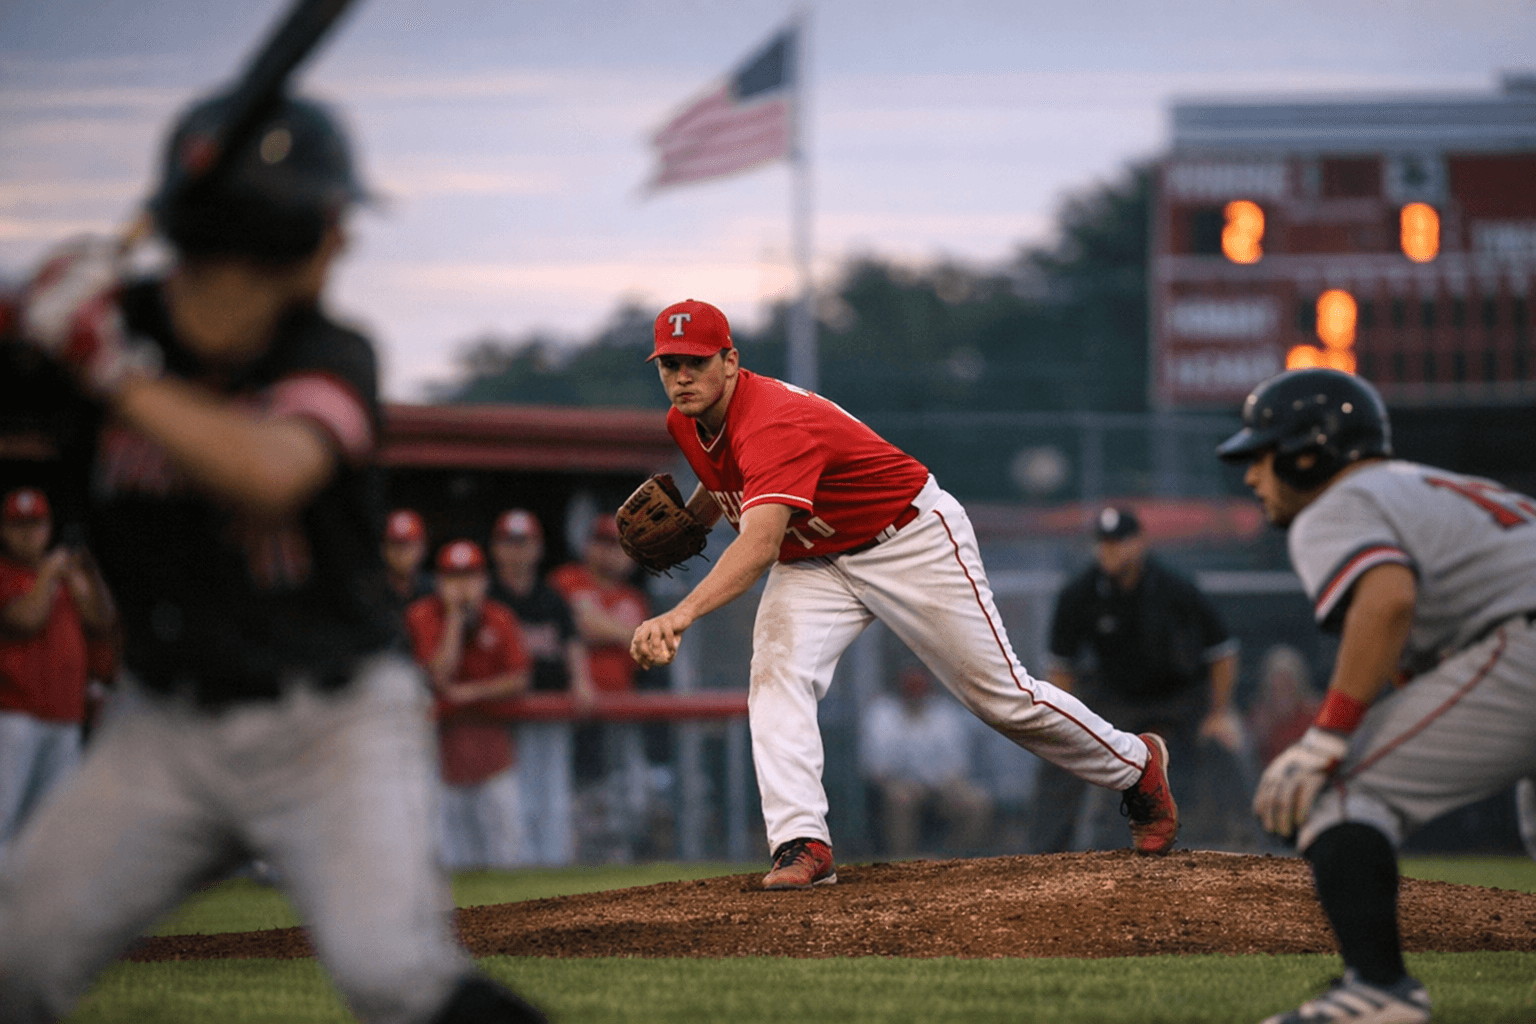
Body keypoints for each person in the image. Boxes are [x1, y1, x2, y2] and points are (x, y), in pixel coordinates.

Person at [0, 92, 546, 1022]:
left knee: (392, 973)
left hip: (330, 723)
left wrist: (107, 366)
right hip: (164, 726)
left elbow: (267, 473)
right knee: (15, 962)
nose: (344, 241)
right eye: (330, 218)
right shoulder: (107, 334)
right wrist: (25, 316)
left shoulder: (326, 349)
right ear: (276, 228)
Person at [628, 298, 1178, 891]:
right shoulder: (684, 421)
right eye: (669, 364)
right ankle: (801, 841)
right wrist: (696, 518)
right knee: (775, 675)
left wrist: (682, 613)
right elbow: (730, 478)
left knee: (1003, 698)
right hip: (814, 560)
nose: (681, 377)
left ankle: (1137, 767)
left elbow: (759, 543)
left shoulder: (772, 420)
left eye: (696, 362)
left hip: (906, 538)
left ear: (731, 361)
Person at [1217, 366, 1536, 1024]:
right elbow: (1414, 644)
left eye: (1262, 455)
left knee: (1339, 789)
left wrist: (1328, 734)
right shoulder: (1428, 485)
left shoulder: (1334, 504)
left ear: (1310, 452)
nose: (1251, 476)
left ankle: (1380, 991)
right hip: (1513, 631)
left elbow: (1387, 600)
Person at [1031, 505, 1240, 853]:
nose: (1109, 550)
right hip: (1114, 703)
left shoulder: (1175, 588)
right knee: (1058, 758)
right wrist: (1060, 727)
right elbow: (1060, 668)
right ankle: (1046, 856)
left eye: (1119, 541)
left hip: (1177, 701)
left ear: (1139, 542)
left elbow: (1222, 651)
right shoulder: (1079, 594)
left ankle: (1242, 845)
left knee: (1224, 746)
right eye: (1103, 542)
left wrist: (1220, 712)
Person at [0, 487, 115, 859]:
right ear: (4, 530)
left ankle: (31, 914)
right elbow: (24, 620)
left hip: (64, 718)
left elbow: (102, 621)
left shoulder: (66, 576)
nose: (28, 534)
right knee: (4, 818)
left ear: (48, 527)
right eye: (19, 526)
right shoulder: (6, 573)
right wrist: (48, 574)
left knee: (55, 829)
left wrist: (90, 574)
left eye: (35, 524)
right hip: (14, 716)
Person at [406, 539, 531, 871]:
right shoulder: (422, 615)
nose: (463, 586)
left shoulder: (500, 617)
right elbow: (437, 675)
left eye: (470, 576)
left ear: (484, 580)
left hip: (494, 760)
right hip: (439, 763)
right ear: (438, 582)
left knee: (508, 860)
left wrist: (470, 693)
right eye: (453, 577)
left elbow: (520, 678)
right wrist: (455, 620)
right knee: (449, 866)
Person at [488, 508, 595, 867]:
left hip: (548, 711)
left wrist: (581, 682)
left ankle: (553, 864)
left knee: (551, 796)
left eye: (524, 542)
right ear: (496, 548)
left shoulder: (551, 598)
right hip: (499, 715)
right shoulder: (487, 597)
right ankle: (511, 865)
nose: (517, 550)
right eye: (509, 542)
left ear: (537, 548)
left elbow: (572, 642)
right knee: (509, 797)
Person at [860, 667, 993, 856]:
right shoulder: (882, 712)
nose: (915, 690)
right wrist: (913, 780)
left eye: (919, 684)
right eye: (910, 685)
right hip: (900, 782)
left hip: (942, 784)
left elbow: (958, 762)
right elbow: (876, 765)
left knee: (977, 801)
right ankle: (905, 860)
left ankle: (956, 859)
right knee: (901, 798)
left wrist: (935, 781)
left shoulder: (944, 713)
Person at [1247, 644, 1322, 769]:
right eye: (1276, 680)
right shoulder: (1258, 718)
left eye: (1287, 680)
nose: (1281, 685)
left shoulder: (1315, 714)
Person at [382, 507, 433, 610]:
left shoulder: (435, 591)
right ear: (384, 549)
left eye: (408, 546)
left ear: (423, 548)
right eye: (395, 545)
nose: (401, 554)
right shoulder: (368, 593)